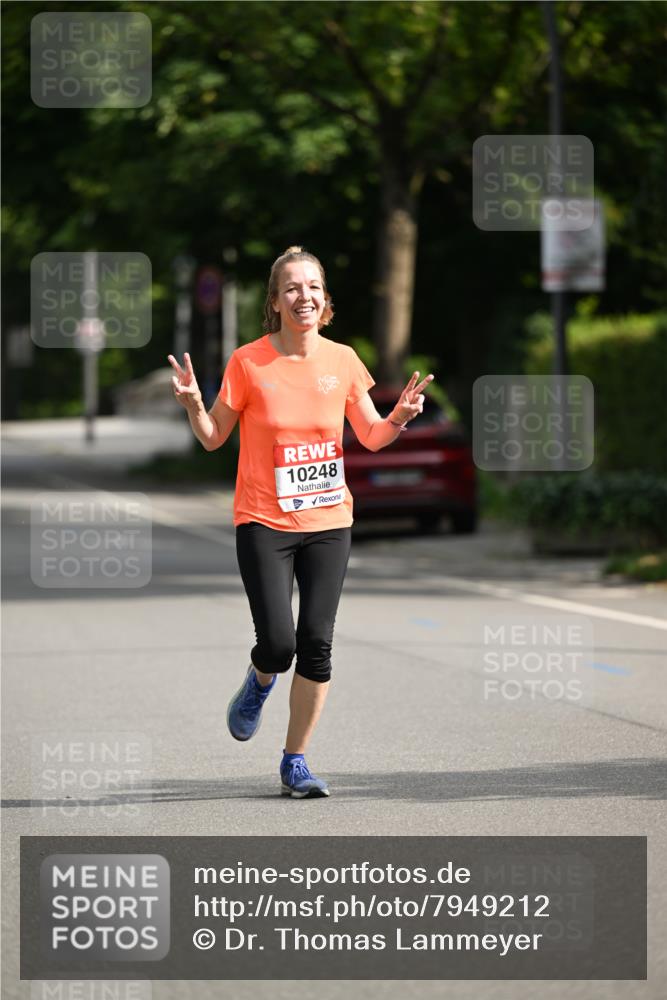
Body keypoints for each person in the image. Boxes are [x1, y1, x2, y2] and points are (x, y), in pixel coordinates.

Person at [168, 246, 433, 799]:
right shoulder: (247, 362)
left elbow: (371, 436)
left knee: (316, 642)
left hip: (329, 519)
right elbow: (214, 437)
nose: (303, 296)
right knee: (279, 644)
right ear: (275, 301)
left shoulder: (342, 361)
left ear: (325, 299)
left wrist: (398, 419)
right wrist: (194, 403)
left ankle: (295, 761)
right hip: (263, 520)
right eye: (291, 287)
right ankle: (259, 681)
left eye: (313, 286)